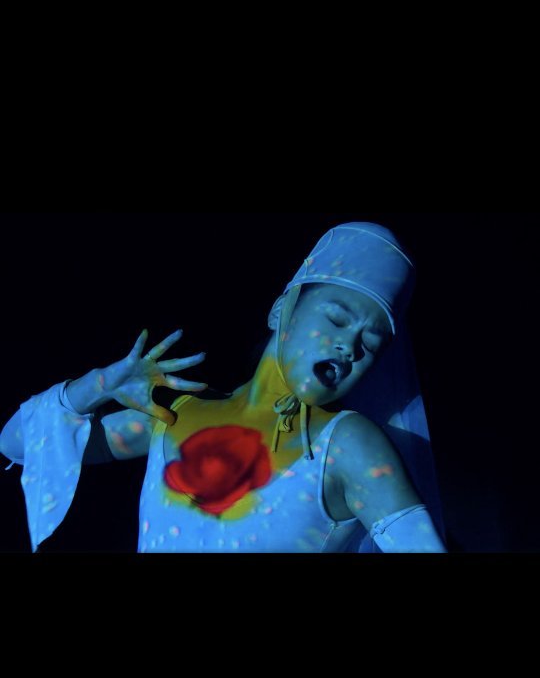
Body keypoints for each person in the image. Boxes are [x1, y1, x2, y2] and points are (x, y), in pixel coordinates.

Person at [0, 222, 447, 553]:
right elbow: (19, 444)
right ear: (281, 311)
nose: (349, 346)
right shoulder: (175, 414)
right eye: (336, 318)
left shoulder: (348, 444)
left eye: (371, 345)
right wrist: (98, 384)